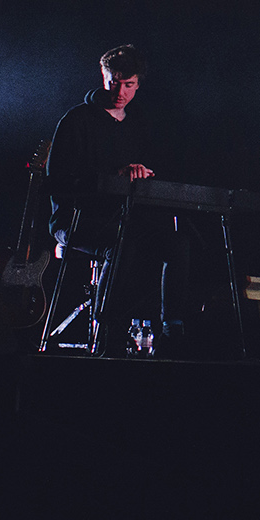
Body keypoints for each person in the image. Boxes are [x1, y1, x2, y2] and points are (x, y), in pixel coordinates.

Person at [45, 44, 175, 352]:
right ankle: (107, 335)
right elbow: (58, 182)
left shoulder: (138, 125)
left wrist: (145, 174)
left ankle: (171, 329)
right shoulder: (76, 120)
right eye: (114, 81)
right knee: (122, 243)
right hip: (75, 220)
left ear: (138, 85)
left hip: (124, 220)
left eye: (128, 84)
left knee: (175, 242)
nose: (120, 90)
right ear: (103, 77)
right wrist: (112, 175)